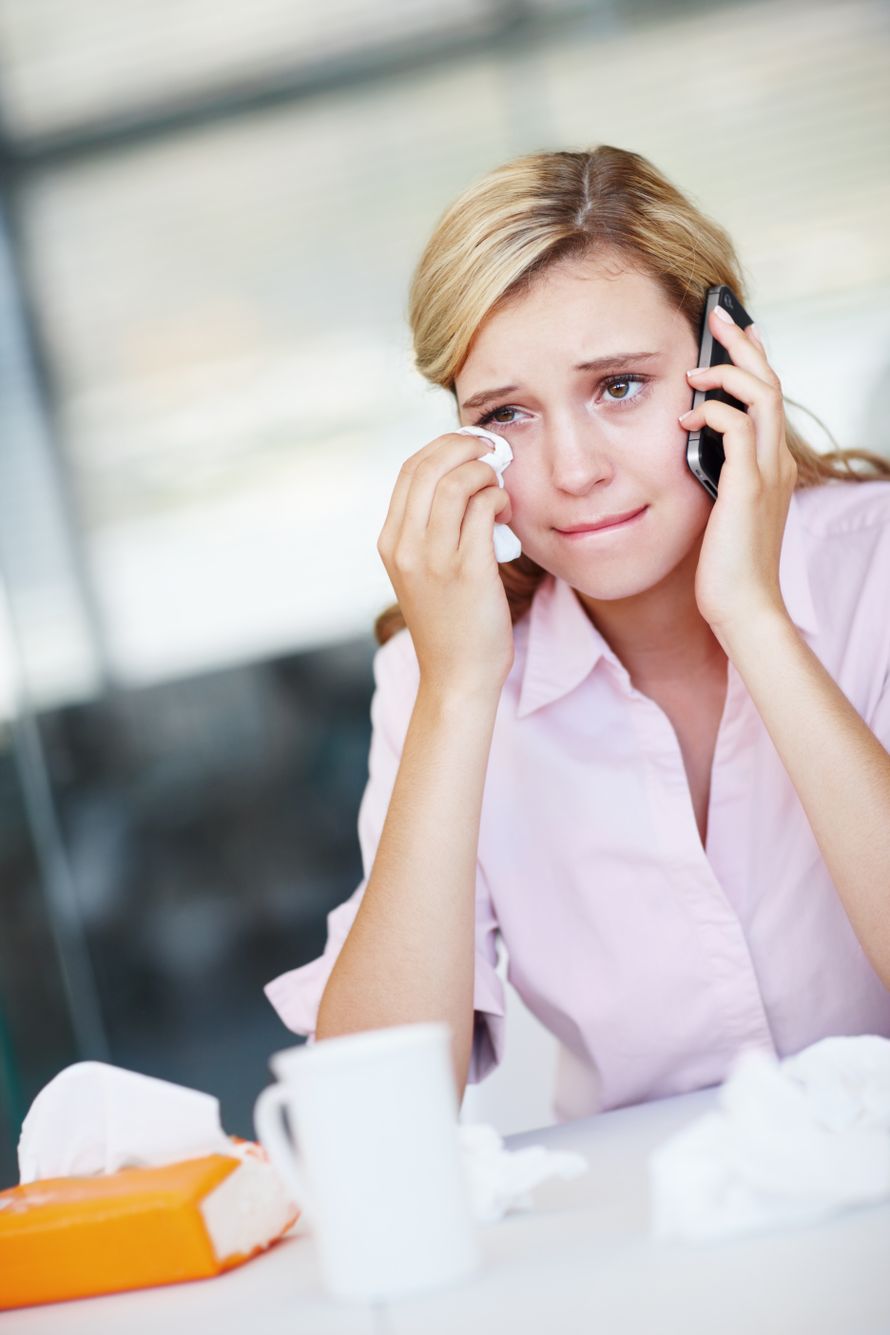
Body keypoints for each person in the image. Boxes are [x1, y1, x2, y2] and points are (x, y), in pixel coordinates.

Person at [264, 145, 890, 1120]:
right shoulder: (443, 670)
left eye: (618, 386)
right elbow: (375, 1115)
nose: (572, 469)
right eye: (507, 414)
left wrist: (754, 618)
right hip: (651, 1201)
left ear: (729, 365)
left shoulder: (873, 564)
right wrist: (456, 695)